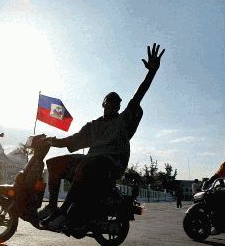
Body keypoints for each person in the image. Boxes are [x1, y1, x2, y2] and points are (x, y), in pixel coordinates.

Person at [39, 43, 165, 230]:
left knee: (85, 164)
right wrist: (52, 141)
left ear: (119, 107)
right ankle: (52, 206)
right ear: (103, 104)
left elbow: (139, 95)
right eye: (109, 103)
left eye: (116, 104)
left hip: (110, 165)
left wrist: (151, 72)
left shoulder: (123, 121)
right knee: (53, 164)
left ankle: (64, 214)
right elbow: (73, 140)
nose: (112, 107)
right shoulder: (94, 125)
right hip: (91, 162)